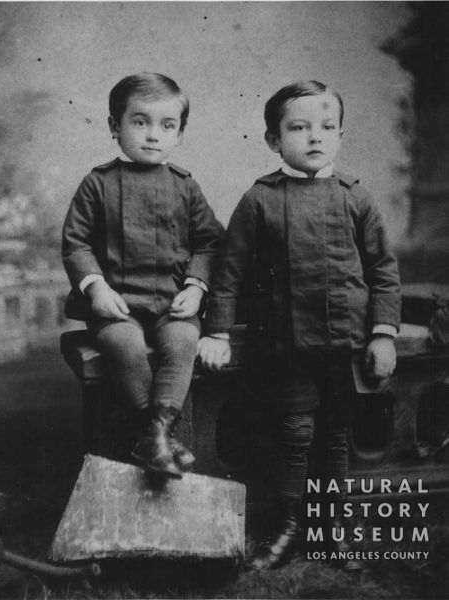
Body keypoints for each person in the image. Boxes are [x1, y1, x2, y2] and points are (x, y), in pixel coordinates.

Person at [198, 80, 401, 569]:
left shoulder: (356, 197)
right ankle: (288, 526)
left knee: (335, 435)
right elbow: (229, 272)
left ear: (340, 136)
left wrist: (383, 333)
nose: (315, 137)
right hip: (285, 343)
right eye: (299, 128)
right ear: (274, 139)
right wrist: (218, 331)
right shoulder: (260, 199)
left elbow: (383, 271)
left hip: (345, 343)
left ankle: (334, 529)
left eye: (327, 127)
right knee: (294, 432)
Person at [63, 73, 223, 479]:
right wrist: (96, 288)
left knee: (183, 341)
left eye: (167, 125)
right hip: (117, 304)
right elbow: (76, 243)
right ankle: (156, 437)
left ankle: (156, 435)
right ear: (114, 126)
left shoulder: (186, 187)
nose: (153, 135)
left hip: (171, 302)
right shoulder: (97, 184)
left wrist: (196, 287)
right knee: (124, 344)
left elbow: (211, 243)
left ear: (179, 134)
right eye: (140, 122)